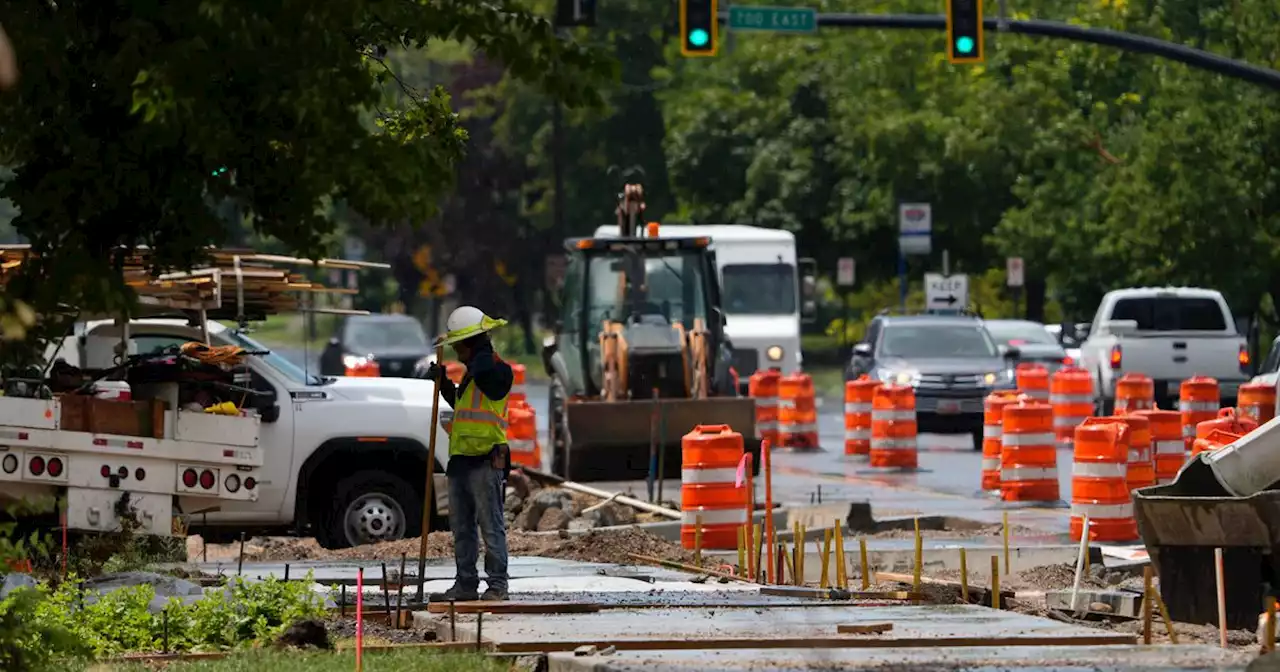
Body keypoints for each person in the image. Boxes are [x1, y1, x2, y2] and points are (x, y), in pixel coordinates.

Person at [421, 306, 514, 602]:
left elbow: (491, 382)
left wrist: (480, 351)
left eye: (457, 345)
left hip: (486, 460)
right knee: (461, 529)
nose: (454, 351)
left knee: (491, 527)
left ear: (470, 344)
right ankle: (465, 584)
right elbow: (464, 406)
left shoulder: (496, 371)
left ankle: (497, 585)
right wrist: (444, 384)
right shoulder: (473, 374)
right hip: (461, 461)